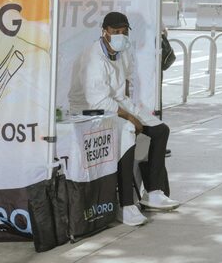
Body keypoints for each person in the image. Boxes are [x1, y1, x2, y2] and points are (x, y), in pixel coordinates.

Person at [68, 12, 179, 227]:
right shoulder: (92, 57)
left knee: (159, 130)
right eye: (116, 31)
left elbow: (126, 80)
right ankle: (125, 204)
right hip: (89, 111)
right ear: (105, 32)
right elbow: (98, 100)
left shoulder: (123, 50)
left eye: (124, 31)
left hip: (117, 103)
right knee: (128, 130)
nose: (121, 35)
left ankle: (153, 192)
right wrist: (130, 117)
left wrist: (134, 111)